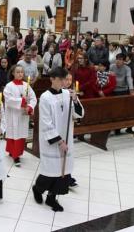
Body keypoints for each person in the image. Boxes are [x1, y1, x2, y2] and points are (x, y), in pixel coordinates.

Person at [32, 67, 84, 212]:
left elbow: (79, 115)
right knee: (50, 171)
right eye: (60, 79)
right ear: (52, 79)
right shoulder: (45, 97)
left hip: (67, 139)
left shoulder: (68, 94)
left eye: (65, 79)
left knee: (63, 173)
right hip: (53, 141)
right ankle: (37, 189)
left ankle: (51, 198)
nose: (63, 82)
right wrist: (59, 141)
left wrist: (75, 100)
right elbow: (46, 122)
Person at [4, 65, 37, 166]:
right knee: (14, 133)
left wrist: (30, 107)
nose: (20, 74)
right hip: (13, 114)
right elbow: (8, 100)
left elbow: (33, 98)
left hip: (23, 114)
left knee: (20, 134)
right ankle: (15, 155)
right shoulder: (9, 86)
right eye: (17, 72)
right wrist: (22, 101)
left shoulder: (26, 85)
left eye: (21, 72)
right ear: (13, 73)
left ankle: (16, 152)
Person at [110, 53, 134, 134]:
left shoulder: (127, 68)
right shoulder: (112, 66)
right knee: (113, 110)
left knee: (122, 110)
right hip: (113, 90)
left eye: (120, 59)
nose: (118, 61)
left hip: (123, 91)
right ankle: (114, 127)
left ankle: (119, 128)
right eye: (117, 59)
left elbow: (129, 79)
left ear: (124, 61)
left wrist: (131, 90)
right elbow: (108, 77)